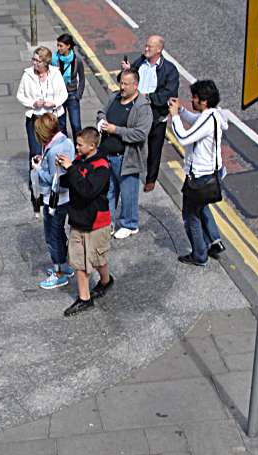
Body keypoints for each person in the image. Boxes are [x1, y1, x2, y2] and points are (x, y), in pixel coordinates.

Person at [56, 127, 115, 317]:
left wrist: (71, 169)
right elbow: (69, 183)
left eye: (80, 145)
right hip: (78, 220)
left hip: (96, 222)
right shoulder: (79, 160)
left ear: (92, 146)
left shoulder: (102, 167)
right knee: (79, 262)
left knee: (98, 259)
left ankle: (105, 281)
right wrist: (62, 169)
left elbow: (87, 190)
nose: (76, 147)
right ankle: (85, 298)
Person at [168, 79, 228, 266]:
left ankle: (199, 255)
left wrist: (175, 116)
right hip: (213, 172)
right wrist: (183, 111)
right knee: (202, 206)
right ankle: (214, 241)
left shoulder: (208, 120)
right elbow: (197, 121)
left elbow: (183, 137)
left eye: (194, 98)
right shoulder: (214, 115)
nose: (192, 100)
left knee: (190, 215)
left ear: (204, 101)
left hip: (200, 177)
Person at [96, 69, 152, 239]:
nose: (122, 87)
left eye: (126, 84)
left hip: (126, 158)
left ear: (136, 85)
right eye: (121, 83)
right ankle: (109, 222)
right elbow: (101, 112)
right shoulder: (114, 97)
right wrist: (101, 121)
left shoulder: (142, 107)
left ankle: (130, 223)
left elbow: (140, 134)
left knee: (128, 193)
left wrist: (115, 130)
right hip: (107, 155)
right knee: (109, 191)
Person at [121, 35, 179, 193]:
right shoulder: (139, 63)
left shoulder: (170, 70)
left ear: (159, 50)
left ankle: (151, 179)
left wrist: (148, 97)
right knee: (133, 143)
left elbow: (169, 94)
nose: (146, 49)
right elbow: (125, 82)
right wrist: (126, 71)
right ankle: (131, 170)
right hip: (136, 112)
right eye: (146, 46)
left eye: (150, 47)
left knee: (155, 148)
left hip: (156, 115)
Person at [32, 112, 75, 289]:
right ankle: (65, 266)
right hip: (67, 199)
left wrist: (38, 168)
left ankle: (59, 272)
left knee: (52, 236)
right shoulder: (65, 142)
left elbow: (54, 180)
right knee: (59, 233)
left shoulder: (54, 151)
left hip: (54, 201)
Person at [16, 46, 68, 194]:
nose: (34, 63)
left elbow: (63, 94)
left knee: (53, 152)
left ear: (46, 62)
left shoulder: (56, 74)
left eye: (37, 61)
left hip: (52, 119)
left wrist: (54, 103)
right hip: (36, 120)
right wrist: (33, 103)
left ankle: (54, 181)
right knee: (35, 152)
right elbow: (20, 96)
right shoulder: (27, 75)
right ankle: (35, 183)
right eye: (33, 59)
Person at [52, 34, 85, 137]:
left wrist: (78, 94)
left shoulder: (77, 60)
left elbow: (82, 78)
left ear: (68, 46)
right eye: (58, 45)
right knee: (61, 126)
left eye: (61, 46)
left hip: (72, 95)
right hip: (59, 96)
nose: (58, 48)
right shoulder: (54, 59)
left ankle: (78, 150)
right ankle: (65, 149)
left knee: (76, 126)